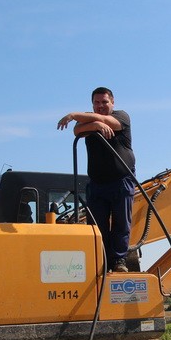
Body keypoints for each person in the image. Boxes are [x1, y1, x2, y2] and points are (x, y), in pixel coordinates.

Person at [57, 87, 136, 272]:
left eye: (104, 102)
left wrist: (73, 114)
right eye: (97, 103)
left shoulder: (122, 117)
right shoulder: (90, 118)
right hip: (97, 184)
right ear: (92, 104)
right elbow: (77, 130)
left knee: (121, 223)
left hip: (121, 180)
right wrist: (96, 126)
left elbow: (106, 121)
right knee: (97, 225)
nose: (100, 106)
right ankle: (101, 261)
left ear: (112, 103)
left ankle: (118, 261)